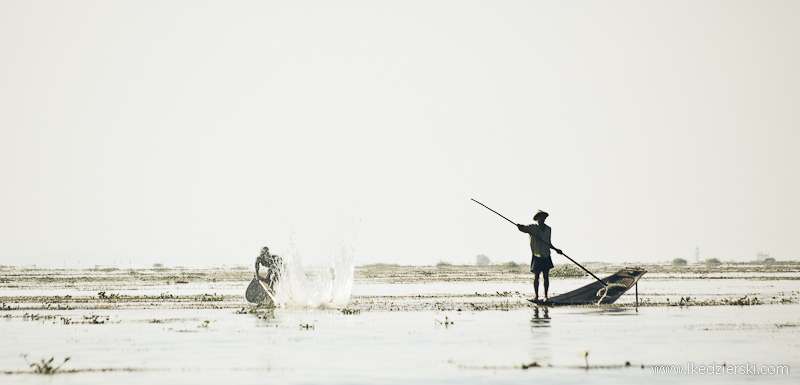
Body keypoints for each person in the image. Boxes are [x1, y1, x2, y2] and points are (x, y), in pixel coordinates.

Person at [517, 210, 562, 301]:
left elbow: (548, 243)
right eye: (540, 217)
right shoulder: (532, 228)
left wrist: (556, 249)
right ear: (537, 218)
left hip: (546, 255)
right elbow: (523, 229)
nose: (542, 219)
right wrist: (519, 226)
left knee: (546, 277)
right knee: (536, 277)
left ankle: (546, 296)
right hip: (536, 255)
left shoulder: (548, 229)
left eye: (544, 217)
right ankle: (536, 296)